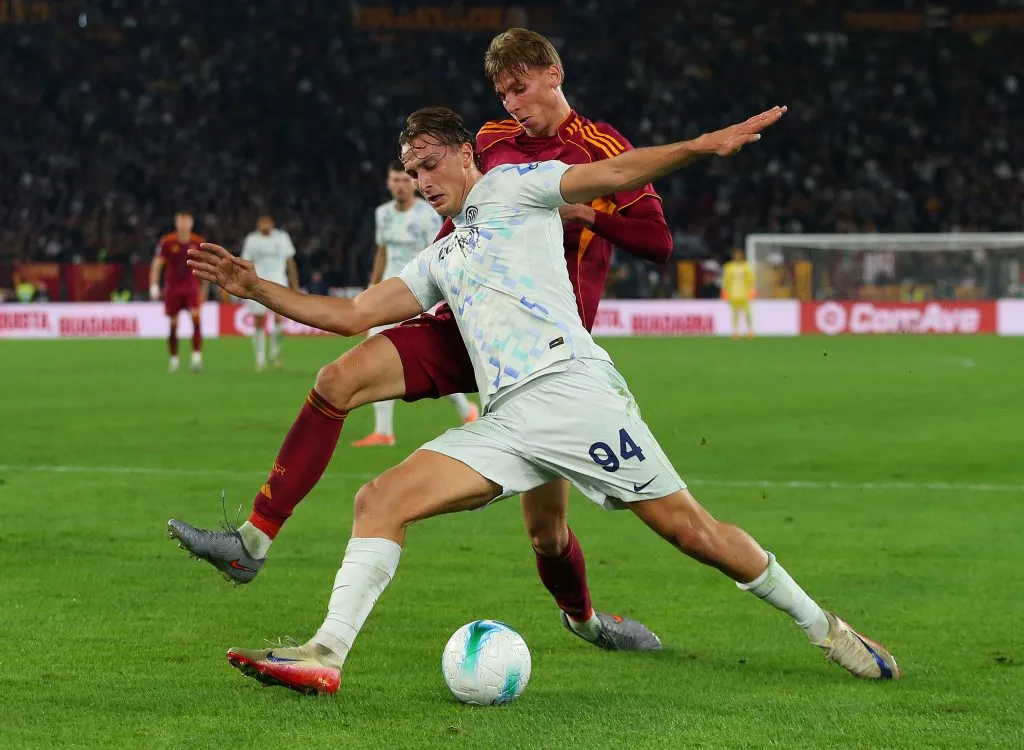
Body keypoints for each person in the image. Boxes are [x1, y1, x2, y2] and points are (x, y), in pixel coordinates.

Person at [186, 104, 899, 696]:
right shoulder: (441, 256)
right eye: (411, 171)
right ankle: (324, 653)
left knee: (694, 534)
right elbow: (352, 313)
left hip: (575, 397)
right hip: (508, 420)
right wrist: (257, 291)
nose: (421, 180)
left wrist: (702, 146)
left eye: (430, 164)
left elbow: (616, 171)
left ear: (467, 153)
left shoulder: (515, 187)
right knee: (379, 499)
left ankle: (823, 627)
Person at [169, 28, 676, 654]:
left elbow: (658, 244)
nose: (513, 103)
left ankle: (586, 622)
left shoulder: (601, 149)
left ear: (553, 73)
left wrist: (589, 214)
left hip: (539, 349)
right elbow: (462, 216)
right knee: (336, 379)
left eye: (520, 88)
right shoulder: (488, 142)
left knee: (547, 534)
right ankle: (252, 541)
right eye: (502, 91)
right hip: (461, 314)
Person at [353, 160, 478, 448]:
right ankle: (383, 431)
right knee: (371, 357)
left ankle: (466, 410)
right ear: (388, 183)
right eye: (394, 180)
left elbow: (439, 252)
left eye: (404, 180)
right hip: (386, 293)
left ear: (414, 182)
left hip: (420, 292)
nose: (399, 185)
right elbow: (382, 252)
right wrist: (371, 290)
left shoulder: (427, 216)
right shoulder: (381, 214)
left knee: (432, 357)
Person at [150, 212, 207, 372]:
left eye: (186, 221)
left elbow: (204, 267)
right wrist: (153, 285)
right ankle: (174, 361)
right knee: (173, 325)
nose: (183, 224)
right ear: (176, 223)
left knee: (196, 320)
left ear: (191, 223)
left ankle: (196, 359)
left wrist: (204, 289)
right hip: (173, 288)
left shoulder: (198, 241)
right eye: (180, 221)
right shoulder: (167, 241)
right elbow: (157, 263)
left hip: (191, 286)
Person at [239, 215, 298, 371]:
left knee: (279, 318)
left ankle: (274, 353)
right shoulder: (252, 240)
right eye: (262, 222)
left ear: (272, 223)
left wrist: (295, 285)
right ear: (258, 224)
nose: (265, 225)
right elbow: (245, 262)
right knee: (259, 320)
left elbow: (290, 262)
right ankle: (260, 360)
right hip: (257, 283)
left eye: (267, 222)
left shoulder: (282, 237)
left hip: (279, 281)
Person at [721, 248, 755, 338]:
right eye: (736, 255)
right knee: (735, 313)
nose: (737, 257)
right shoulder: (729, 267)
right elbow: (726, 280)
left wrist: (752, 290)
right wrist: (724, 292)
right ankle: (736, 332)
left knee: (747, 313)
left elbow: (751, 279)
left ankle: (750, 331)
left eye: (739, 255)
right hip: (733, 293)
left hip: (744, 293)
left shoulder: (746, 267)